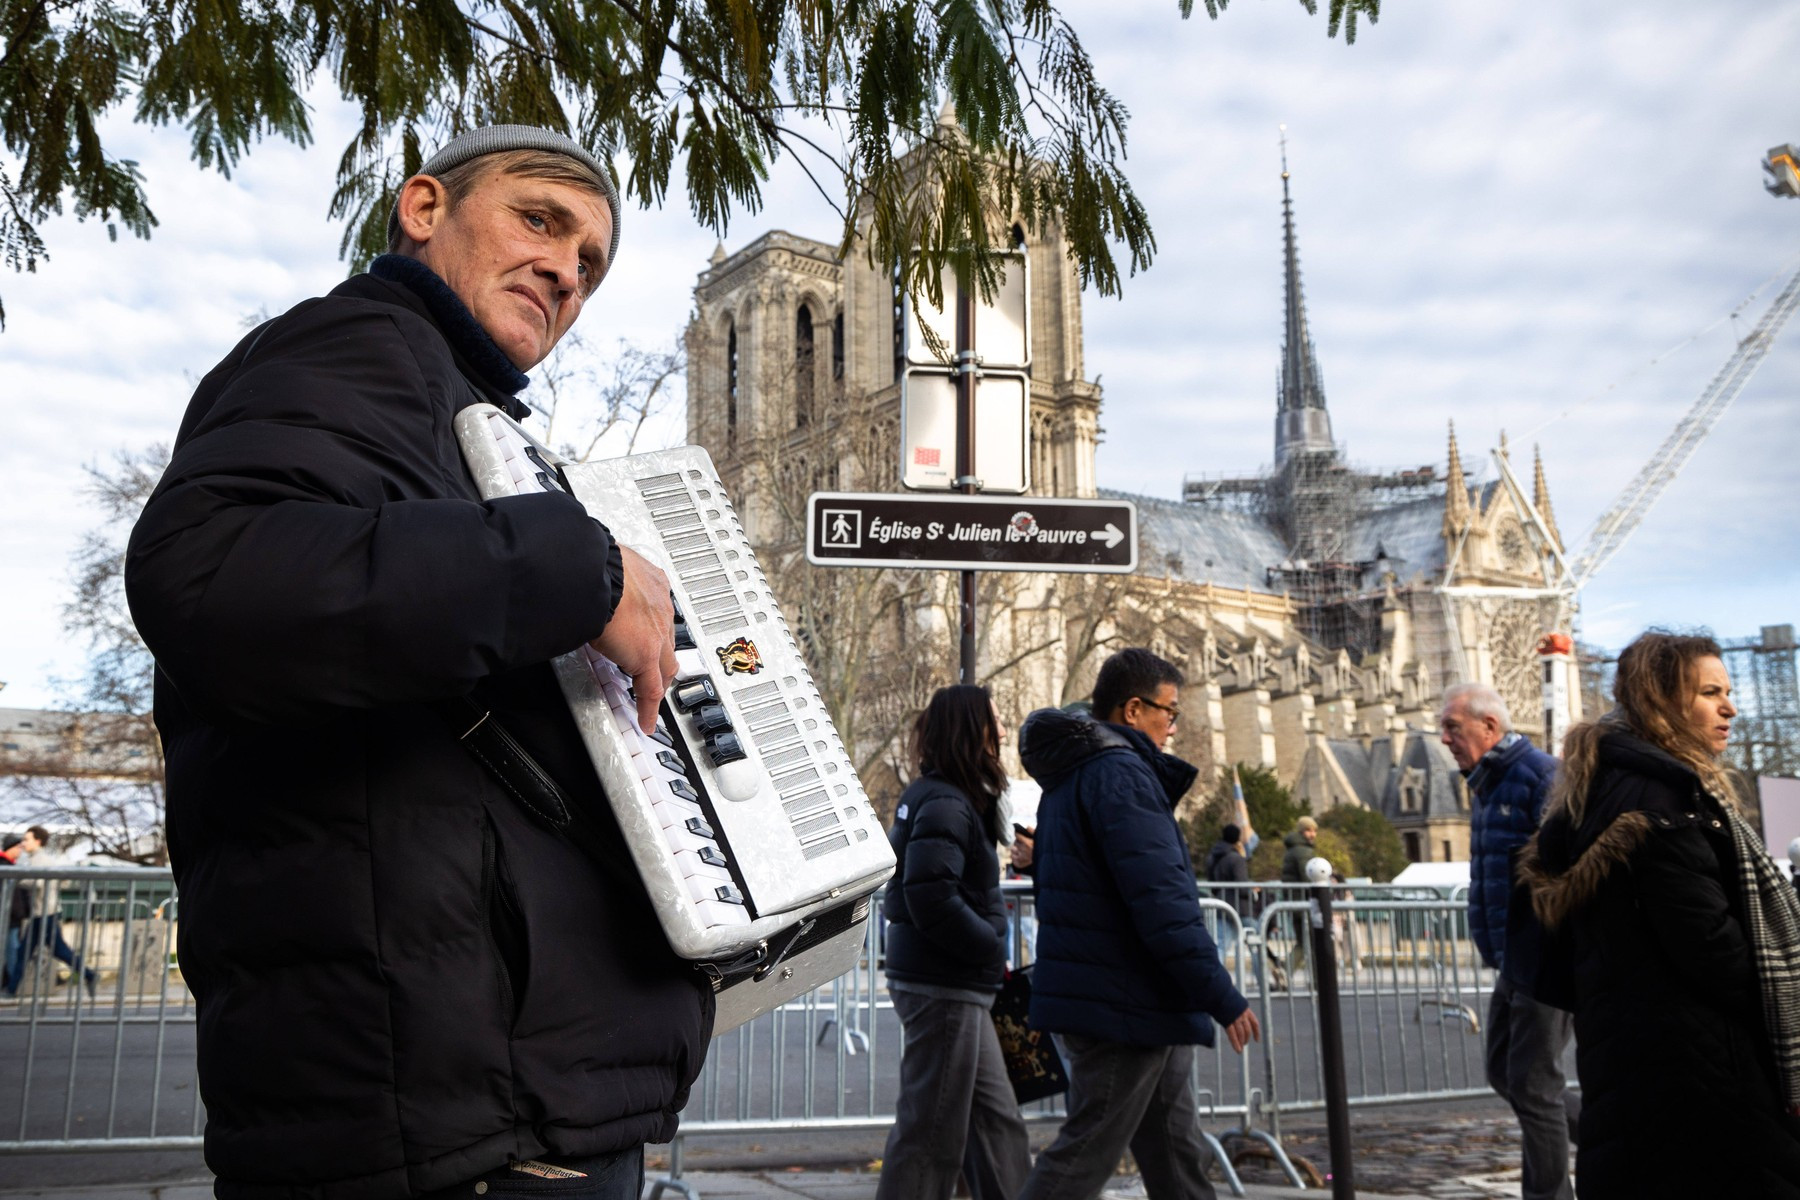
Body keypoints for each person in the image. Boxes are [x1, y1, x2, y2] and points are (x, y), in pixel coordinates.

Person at [124, 125, 709, 1199]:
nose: (566, 273)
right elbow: (207, 575)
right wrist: (580, 570)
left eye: (590, 266)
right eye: (540, 220)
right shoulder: (357, 345)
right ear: (425, 208)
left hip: (503, 1098)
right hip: (446, 1117)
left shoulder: (454, 408)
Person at [1519, 632, 1800, 1198]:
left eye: (1728, 691)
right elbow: (1717, 953)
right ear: (1662, 701)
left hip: (1644, 1064)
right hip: (1700, 1079)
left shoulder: (1612, 786)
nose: (1731, 707)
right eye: (1710, 693)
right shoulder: (1660, 802)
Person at [1016, 648, 1260, 1200]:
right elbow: (1163, 903)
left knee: (1175, 1151)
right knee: (1083, 1154)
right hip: (1123, 998)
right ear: (1132, 710)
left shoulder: (1075, 774)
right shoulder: (1122, 776)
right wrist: (1222, 996)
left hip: (1131, 993)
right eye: (1168, 712)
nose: (1173, 727)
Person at [878, 686, 1031, 1200]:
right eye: (995, 721)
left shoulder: (946, 795)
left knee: (996, 1122)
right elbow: (930, 897)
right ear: (972, 729)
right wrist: (989, 944)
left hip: (953, 981)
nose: (1004, 732)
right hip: (943, 984)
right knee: (932, 1133)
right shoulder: (945, 800)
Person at [1439, 682, 1573, 1200]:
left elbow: (1568, 869)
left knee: (1534, 1088)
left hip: (1543, 958)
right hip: (1513, 960)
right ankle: (1613, 1129)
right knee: (1506, 1074)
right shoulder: (1488, 782)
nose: (1443, 737)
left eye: (1453, 726)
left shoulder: (1540, 775)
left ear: (1490, 728)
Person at [0, 827, 97, 999]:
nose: (24, 843)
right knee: (26, 952)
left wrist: (16, 879)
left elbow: (37, 882)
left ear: (38, 841)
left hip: (45, 914)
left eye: (27, 839)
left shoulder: (40, 859)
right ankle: (11, 989)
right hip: (42, 913)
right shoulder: (39, 859)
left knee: (57, 951)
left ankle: (89, 975)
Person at [1202, 823, 1251, 964]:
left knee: (1221, 943)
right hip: (1238, 907)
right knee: (1256, 939)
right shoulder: (1236, 858)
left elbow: (1212, 883)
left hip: (1220, 903)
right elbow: (1242, 886)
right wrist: (1251, 893)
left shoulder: (1212, 856)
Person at [1278, 815, 1319, 981]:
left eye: (1315, 830)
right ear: (1302, 831)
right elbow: (1308, 877)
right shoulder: (1303, 851)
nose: (1313, 834)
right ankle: (1319, 983)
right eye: (1309, 830)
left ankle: (1284, 972)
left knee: (1303, 942)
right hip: (1304, 903)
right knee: (1314, 943)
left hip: (1295, 903)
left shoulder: (1291, 850)